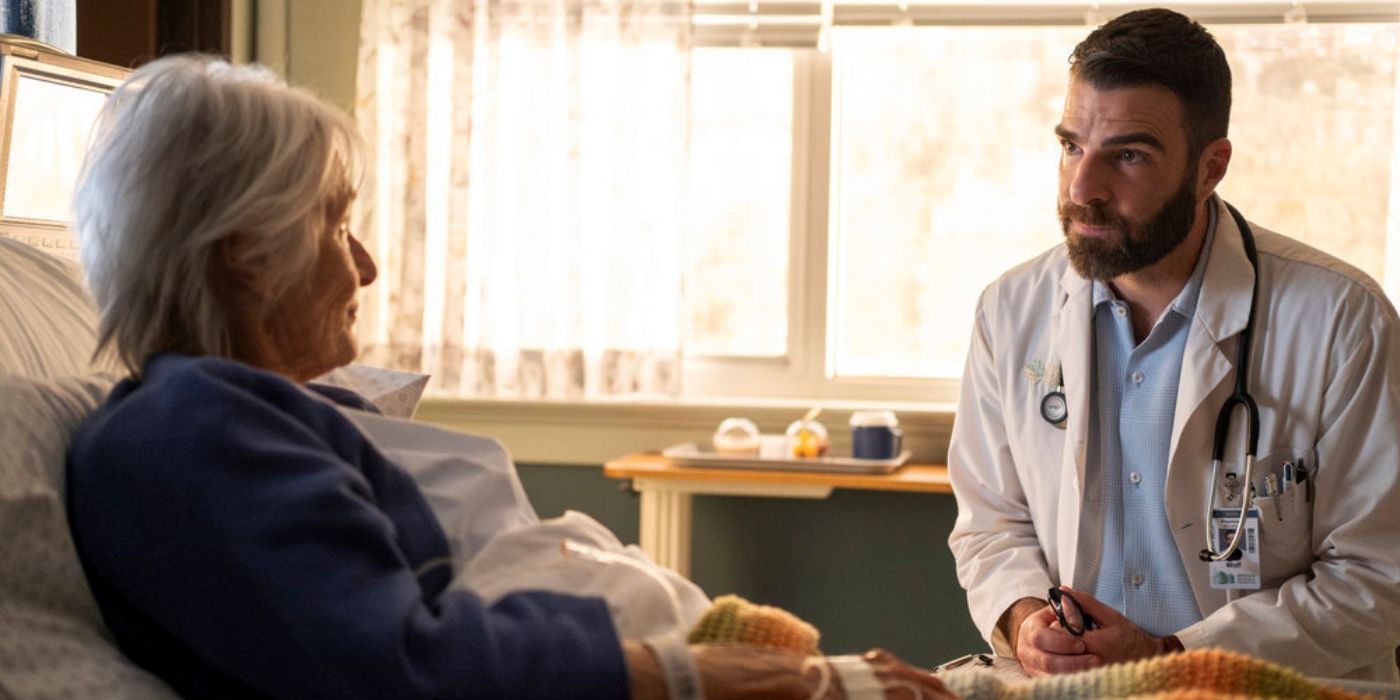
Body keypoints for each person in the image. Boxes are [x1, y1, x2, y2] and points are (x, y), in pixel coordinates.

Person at [65, 55, 951, 700]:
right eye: (337, 228)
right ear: (249, 259)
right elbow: (396, 664)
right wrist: (693, 673)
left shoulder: (241, 417)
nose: (365, 269)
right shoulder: (190, 430)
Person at [946, 7, 1400, 683]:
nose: (1081, 189)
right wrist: (1024, 621)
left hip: (1265, 690)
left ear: (1209, 168)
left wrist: (1172, 662)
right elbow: (991, 524)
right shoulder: (1009, 311)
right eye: (1072, 146)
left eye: (1127, 155)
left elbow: (1376, 579)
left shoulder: (1340, 320)